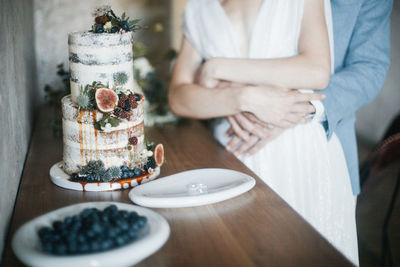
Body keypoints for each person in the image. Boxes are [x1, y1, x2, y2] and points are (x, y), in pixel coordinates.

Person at [169, 0, 392, 265]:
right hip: (229, 150)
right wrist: (241, 97)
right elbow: (178, 96)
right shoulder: (200, 7)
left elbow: (333, 70)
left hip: (300, 150)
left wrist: (218, 68)